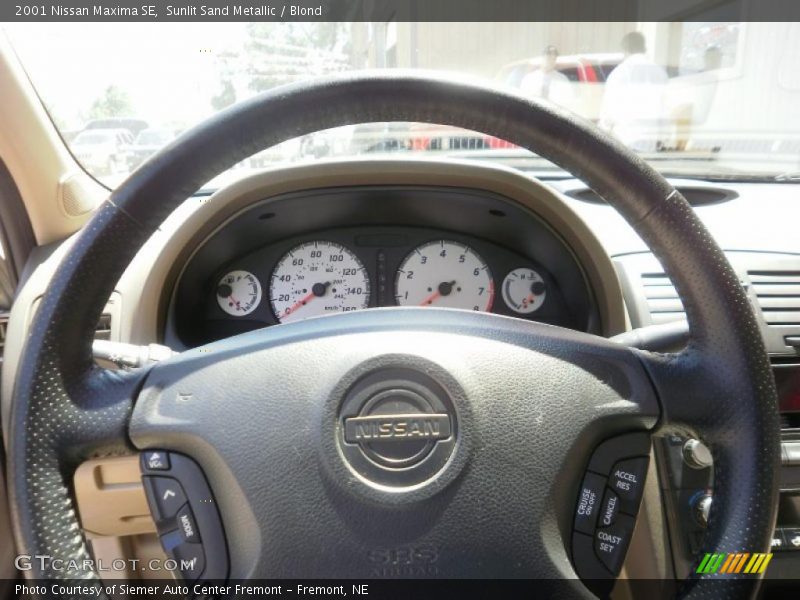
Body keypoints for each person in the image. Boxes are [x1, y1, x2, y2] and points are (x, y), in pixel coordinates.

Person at [600, 31, 669, 152]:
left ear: (625, 49)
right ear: (644, 47)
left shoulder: (619, 73)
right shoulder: (660, 72)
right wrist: (664, 139)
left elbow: (608, 113)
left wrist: (603, 133)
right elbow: (665, 110)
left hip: (624, 142)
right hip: (650, 143)